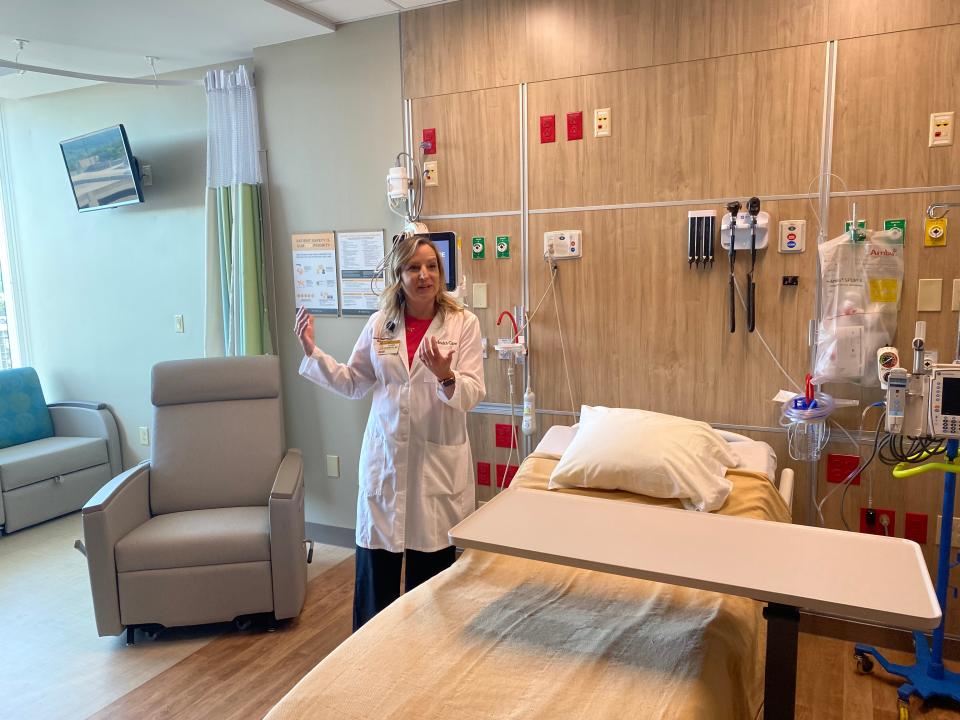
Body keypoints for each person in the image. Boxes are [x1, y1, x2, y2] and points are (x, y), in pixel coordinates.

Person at [295, 234, 485, 630]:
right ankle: (366, 662)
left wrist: (446, 376)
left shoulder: (462, 323)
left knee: (432, 577)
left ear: (441, 273)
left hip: (436, 465)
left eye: (431, 266)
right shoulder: (382, 323)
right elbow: (354, 382)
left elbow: (472, 394)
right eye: (413, 267)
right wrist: (313, 352)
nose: (424, 275)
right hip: (386, 460)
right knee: (376, 577)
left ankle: (429, 661)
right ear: (398, 275)